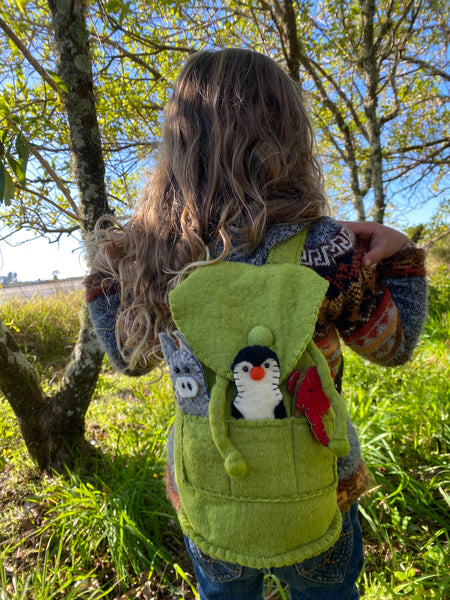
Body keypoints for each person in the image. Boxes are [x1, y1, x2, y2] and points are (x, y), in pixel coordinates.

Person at [84, 49, 428, 600]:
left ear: (178, 148)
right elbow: (395, 344)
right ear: (289, 139)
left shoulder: (153, 260)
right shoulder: (326, 248)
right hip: (320, 498)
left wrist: (106, 275)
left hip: (212, 497)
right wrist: (404, 256)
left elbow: (129, 359)